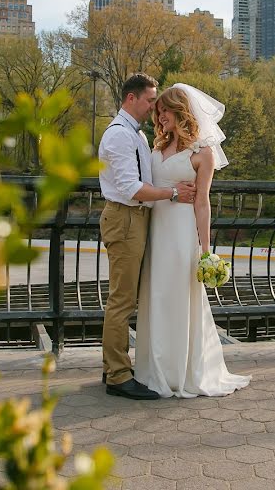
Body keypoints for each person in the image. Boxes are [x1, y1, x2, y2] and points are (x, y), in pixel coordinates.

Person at [134, 83, 251, 398]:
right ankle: (152, 367)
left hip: (182, 234)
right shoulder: (157, 148)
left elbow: (203, 203)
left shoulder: (203, 154)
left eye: (164, 111)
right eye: (157, 112)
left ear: (180, 111)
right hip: (156, 231)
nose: (159, 118)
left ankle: (183, 370)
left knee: (179, 297)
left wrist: (205, 250)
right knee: (156, 296)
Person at [97, 73, 196, 400]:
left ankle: (114, 366)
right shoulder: (119, 136)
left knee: (126, 297)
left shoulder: (134, 134)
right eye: (150, 100)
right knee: (122, 299)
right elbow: (131, 188)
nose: (154, 105)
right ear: (131, 98)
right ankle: (118, 376)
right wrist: (173, 194)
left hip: (136, 219)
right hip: (125, 218)